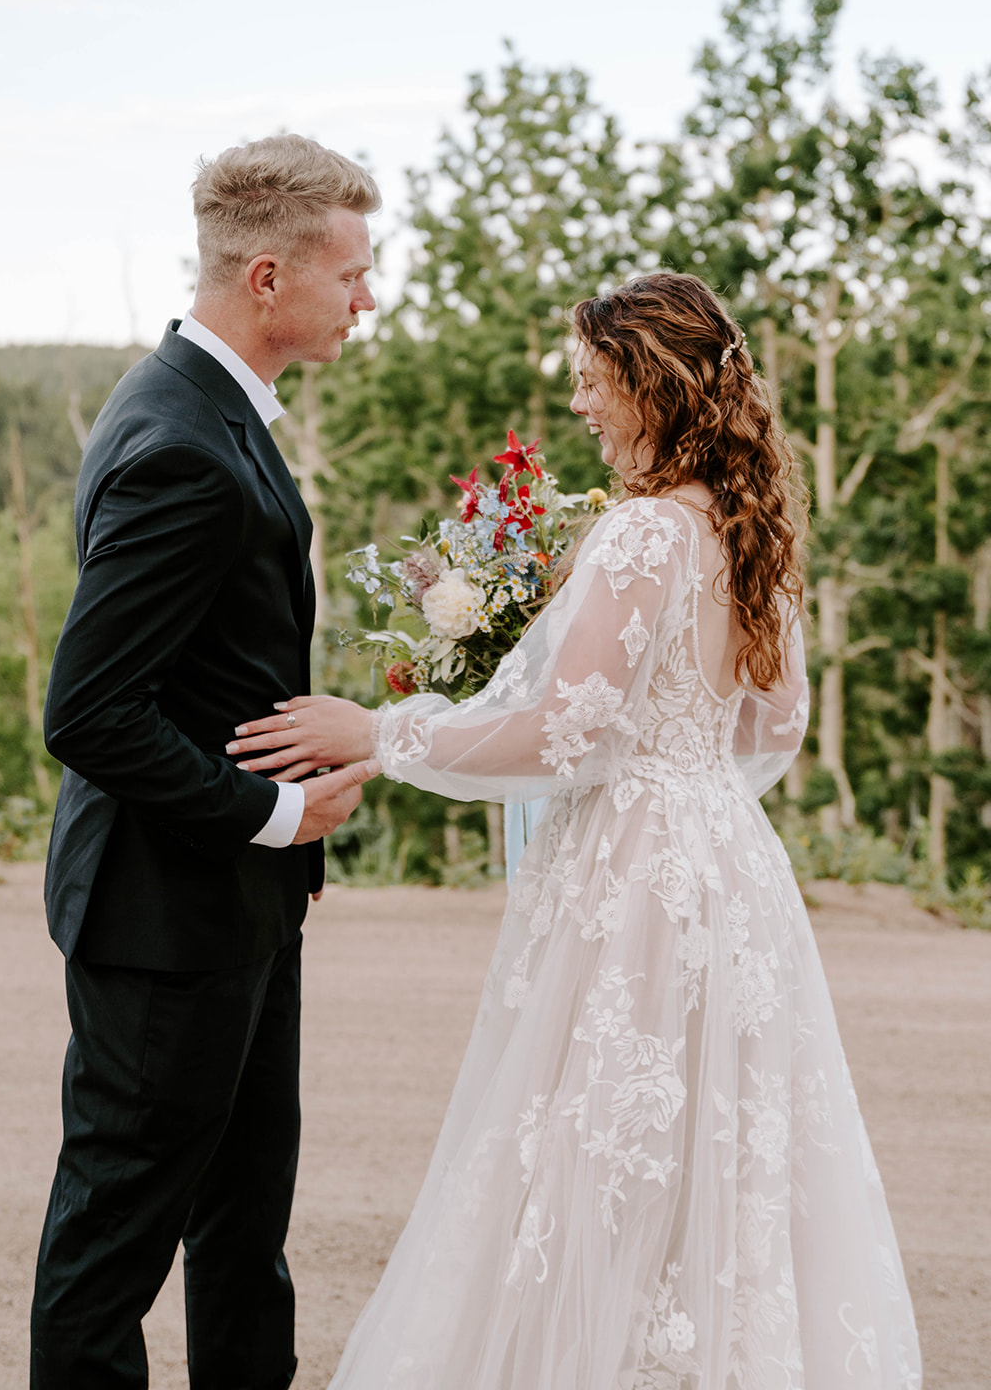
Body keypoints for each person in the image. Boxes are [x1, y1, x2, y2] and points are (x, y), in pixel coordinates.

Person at [228, 272, 922, 1389]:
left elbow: (564, 730)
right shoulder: (748, 531)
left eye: (593, 383)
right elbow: (772, 720)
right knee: (714, 1151)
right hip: (727, 869)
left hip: (636, 868)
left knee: (589, 1140)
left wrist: (388, 730)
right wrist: (679, 769)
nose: (580, 408)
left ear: (651, 384)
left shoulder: (643, 533)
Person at [30, 133, 382, 1390]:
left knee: (244, 1231)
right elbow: (89, 710)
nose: (370, 295)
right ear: (272, 276)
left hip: (239, 912)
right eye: (354, 271)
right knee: (113, 1240)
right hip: (163, 916)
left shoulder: (207, 404)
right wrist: (271, 813)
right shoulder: (181, 438)